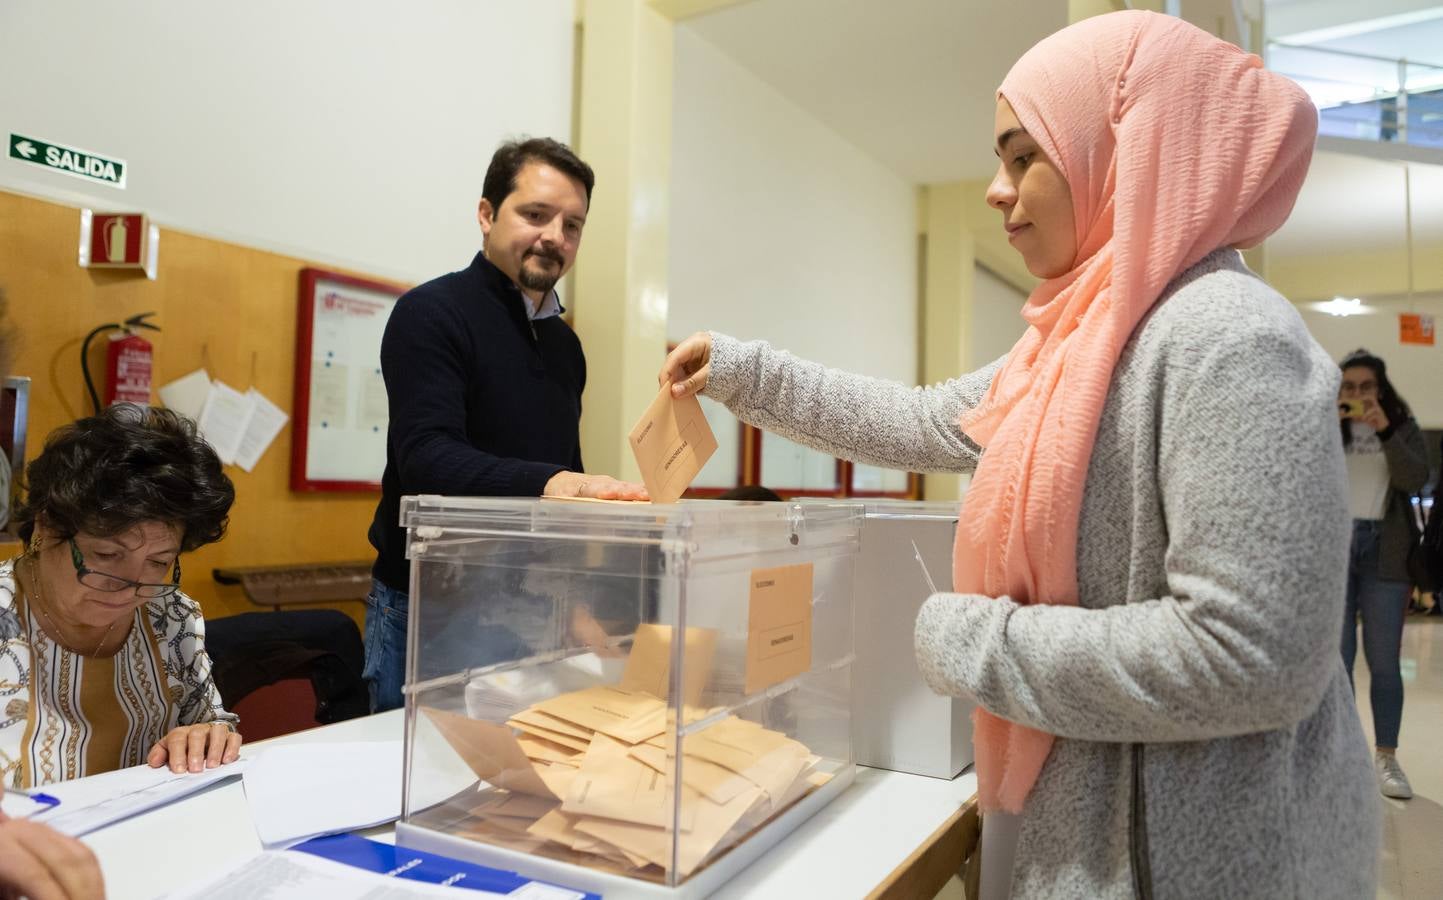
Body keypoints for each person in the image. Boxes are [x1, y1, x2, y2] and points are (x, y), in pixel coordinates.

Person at [661, 11, 1377, 898]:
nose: (995, 190)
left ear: (1125, 148)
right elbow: (925, 422)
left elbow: (1252, 659)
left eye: (1021, 156)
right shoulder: (1084, 339)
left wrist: (970, 638)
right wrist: (743, 372)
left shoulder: (1228, 339)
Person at [365, 137, 647, 713]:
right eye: (536, 214)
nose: (556, 237)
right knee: (420, 787)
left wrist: (578, 607)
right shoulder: (431, 313)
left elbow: (562, 471)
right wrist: (558, 483)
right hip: (428, 609)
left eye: (573, 225)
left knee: (511, 789)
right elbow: (428, 457)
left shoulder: (566, 347)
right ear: (487, 214)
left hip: (532, 614)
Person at [1, 403, 241, 788]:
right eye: (107, 555)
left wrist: (205, 739)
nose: (132, 587)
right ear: (47, 526)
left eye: (158, 561)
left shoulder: (171, 617)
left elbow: (212, 725)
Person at [1337, 348, 1429, 799]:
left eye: (1366, 387)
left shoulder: (1402, 426)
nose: (1357, 395)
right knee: (1337, 662)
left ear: (1380, 389)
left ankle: (1387, 757)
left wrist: (1385, 430)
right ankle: (1343, 756)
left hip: (1385, 553)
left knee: (1385, 663)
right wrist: (1324, 423)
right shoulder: (1325, 426)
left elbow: (1415, 479)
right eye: (1349, 387)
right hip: (1334, 552)